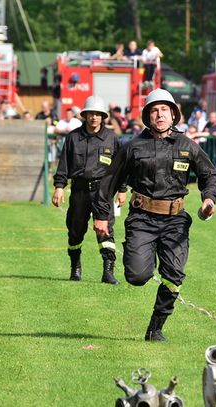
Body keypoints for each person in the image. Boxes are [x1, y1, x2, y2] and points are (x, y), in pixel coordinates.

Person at [92, 89, 216, 341]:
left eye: (164, 110)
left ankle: (155, 328)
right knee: (138, 276)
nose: (159, 114)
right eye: (154, 110)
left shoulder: (187, 146)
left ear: (173, 114)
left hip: (176, 220)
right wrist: (101, 216)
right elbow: (108, 181)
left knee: (174, 275)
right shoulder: (132, 147)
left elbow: (209, 174)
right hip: (142, 218)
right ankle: (141, 254)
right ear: (147, 116)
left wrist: (209, 198)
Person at [52, 96, 127, 284]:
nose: (94, 117)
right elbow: (64, 165)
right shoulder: (73, 138)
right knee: (75, 231)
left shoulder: (112, 139)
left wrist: (123, 189)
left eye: (98, 114)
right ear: (85, 115)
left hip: (103, 192)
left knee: (106, 231)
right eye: (91, 114)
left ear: (104, 117)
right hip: (79, 191)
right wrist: (59, 187)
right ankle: (75, 267)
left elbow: (120, 167)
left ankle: (108, 272)